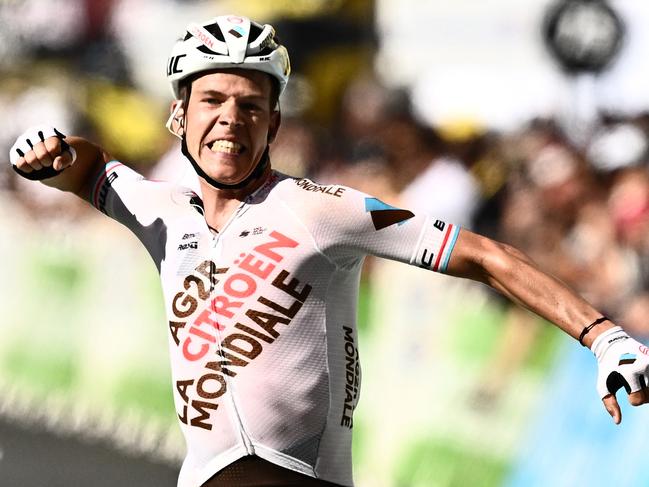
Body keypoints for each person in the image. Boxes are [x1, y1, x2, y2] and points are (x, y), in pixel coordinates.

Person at [8, 14, 649, 487]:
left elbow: (482, 255)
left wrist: (604, 336)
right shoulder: (161, 212)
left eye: (251, 105)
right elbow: (95, 170)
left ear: (275, 124)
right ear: (179, 116)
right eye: (212, 100)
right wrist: (55, 153)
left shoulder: (323, 208)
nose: (231, 117)